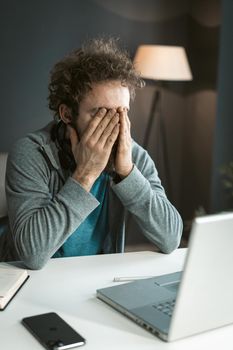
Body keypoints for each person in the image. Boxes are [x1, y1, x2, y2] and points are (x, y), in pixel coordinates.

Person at [3, 37, 183, 269]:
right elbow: (33, 254)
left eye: (121, 112)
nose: (114, 126)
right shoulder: (31, 152)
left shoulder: (131, 154)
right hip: (27, 284)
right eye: (100, 114)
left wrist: (127, 173)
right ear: (67, 114)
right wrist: (85, 174)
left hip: (93, 279)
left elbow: (171, 239)